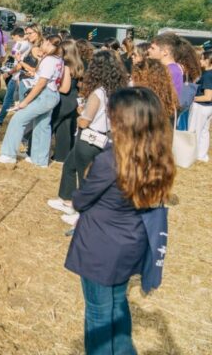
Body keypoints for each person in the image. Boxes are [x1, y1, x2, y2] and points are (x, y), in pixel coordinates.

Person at [65, 87, 175, 355]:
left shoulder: (110, 161)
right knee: (117, 306)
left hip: (100, 248)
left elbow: (81, 200)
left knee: (99, 317)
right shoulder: (158, 158)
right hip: (130, 243)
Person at [50, 50, 129, 223]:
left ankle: (82, 213)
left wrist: (80, 114)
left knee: (84, 177)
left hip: (89, 139)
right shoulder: (120, 90)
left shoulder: (98, 93)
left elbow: (85, 122)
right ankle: (66, 199)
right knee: (69, 165)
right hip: (105, 138)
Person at [0, 34, 64, 167]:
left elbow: (41, 83)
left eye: (44, 42)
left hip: (44, 95)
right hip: (53, 94)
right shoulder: (58, 59)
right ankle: (40, 159)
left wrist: (25, 102)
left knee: (18, 119)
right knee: (43, 125)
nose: (42, 44)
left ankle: (9, 154)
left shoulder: (49, 60)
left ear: (49, 44)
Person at [50, 39, 85, 163]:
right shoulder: (78, 65)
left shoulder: (65, 65)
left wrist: (51, 86)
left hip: (64, 101)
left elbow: (64, 89)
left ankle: (35, 150)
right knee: (64, 129)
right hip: (73, 100)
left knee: (50, 125)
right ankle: (62, 156)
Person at [0, 26, 31, 126]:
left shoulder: (22, 44)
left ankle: (3, 120)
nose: (13, 40)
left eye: (13, 37)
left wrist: (9, 73)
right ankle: (3, 119)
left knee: (12, 99)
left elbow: (18, 62)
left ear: (17, 36)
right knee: (14, 99)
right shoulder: (27, 44)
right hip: (17, 75)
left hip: (17, 76)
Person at [189, 49, 212, 163]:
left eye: (202, 59)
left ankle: (192, 155)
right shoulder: (208, 74)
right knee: (204, 132)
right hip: (208, 108)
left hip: (201, 106)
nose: (200, 61)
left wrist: (192, 98)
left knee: (195, 131)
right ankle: (202, 155)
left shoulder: (207, 75)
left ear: (208, 61)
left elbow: (208, 96)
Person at [147, 33, 183, 98]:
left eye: (153, 48)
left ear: (165, 52)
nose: (148, 50)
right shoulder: (168, 68)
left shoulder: (171, 71)